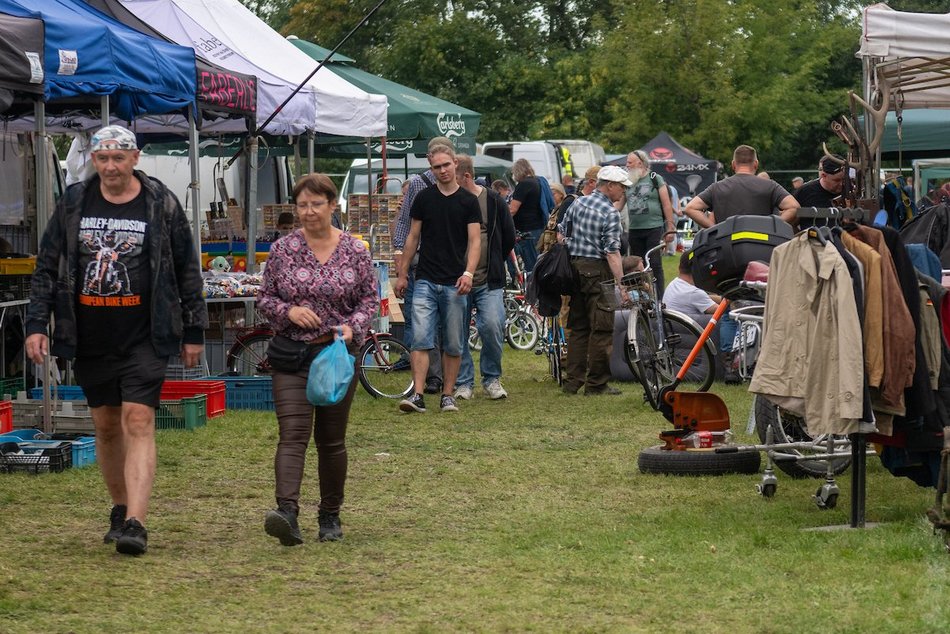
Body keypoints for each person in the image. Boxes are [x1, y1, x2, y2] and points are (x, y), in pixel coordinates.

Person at [24, 124, 207, 556]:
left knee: (138, 421)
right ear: (94, 161)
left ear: (134, 158)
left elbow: (186, 265)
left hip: (146, 334)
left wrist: (194, 328)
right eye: (103, 158)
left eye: (118, 158)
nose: (110, 166)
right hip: (88, 335)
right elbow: (47, 266)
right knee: (106, 428)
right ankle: (120, 505)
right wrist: (36, 323)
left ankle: (137, 523)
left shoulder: (160, 202)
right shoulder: (74, 203)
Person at [257, 173, 378, 546]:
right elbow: (264, 299)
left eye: (316, 204)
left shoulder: (356, 250)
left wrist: (351, 327)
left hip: (337, 356)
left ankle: (329, 515)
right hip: (292, 355)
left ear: (333, 205)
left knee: (331, 440)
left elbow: (370, 299)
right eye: (302, 205)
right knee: (292, 436)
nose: (308, 212)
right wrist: (289, 312)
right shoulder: (283, 250)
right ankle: (287, 513)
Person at [395, 144, 480, 414]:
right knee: (420, 338)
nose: (442, 171)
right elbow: (412, 237)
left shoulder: (468, 201)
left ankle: (447, 395)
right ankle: (417, 394)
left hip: (455, 282)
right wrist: (403, 272)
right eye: (436, 167)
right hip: (425, 280)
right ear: (431, 169)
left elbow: (475, 241)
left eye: (446, 165)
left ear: (455, 164)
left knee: (454, 342)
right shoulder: (424, 198)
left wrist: (468, 273)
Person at [557, 165, 629, 396]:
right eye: (621, 187)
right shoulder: (610, 213)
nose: (623, 191)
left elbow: (561, 235)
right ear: (609, 186)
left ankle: (573, 382)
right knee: (602, 328)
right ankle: (597, 384)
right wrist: (622, 284)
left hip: (574, 270)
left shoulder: (578, 202)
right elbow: (612, 253)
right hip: (599, 272)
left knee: (578, 328)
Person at [392, 136, 453, 395]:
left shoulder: (459, 182)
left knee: (443, 324)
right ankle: (434, 377)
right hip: (423, 262)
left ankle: (445, 377)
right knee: (426, 322)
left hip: (450, 263)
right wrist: (401, 263)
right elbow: (407, 226)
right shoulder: (418, 184)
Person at [452, 153, 516, 401]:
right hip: (456, 280)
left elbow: (508, 236)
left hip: (489, 279)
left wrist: (494, 261)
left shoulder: (492, 200)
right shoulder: (450, 200)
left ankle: (491, 378)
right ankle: (463, 382)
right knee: (456, 332)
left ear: (466, 176)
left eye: (454, 176)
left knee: (492, 326)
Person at [683, 144, 798, 228]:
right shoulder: (770, 186)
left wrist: (714, 228)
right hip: (762, 247)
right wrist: (773, 227)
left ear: (733, 164)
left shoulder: (717, 187)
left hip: (726, 248)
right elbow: (794, 207)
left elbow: (690, 208)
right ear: (756, 164)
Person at [624, 150, 675, 298]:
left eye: (630, 162)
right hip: (634, 229)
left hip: (653, 227)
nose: (627, 165)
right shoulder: (627, 181)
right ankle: (641, 296)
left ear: (640, 163)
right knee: (634, 265)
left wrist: (670, 227)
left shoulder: (655, 178)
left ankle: (659, 298)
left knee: (654, 262)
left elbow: (666, 204)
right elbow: (619, 204)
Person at [508, 158, 547, 274]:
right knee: (537, 261)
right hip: (537, 227)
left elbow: (512, 210)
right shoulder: (536, 182)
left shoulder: (523, 185)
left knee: (530, 264)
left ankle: (531, 288)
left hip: (526, 230)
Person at [663, 251, 720, 316]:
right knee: (727, 317)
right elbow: (720, 310)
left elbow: (703, 298)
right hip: (684, 325)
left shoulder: (674, 284)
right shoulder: (693, 292)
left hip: (673, 323)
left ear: (679, 267)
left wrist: (723, 299)